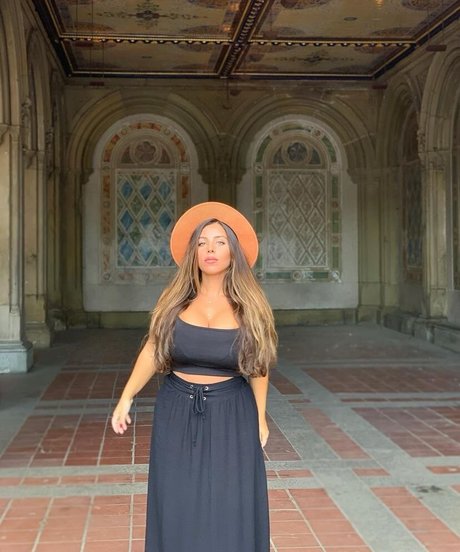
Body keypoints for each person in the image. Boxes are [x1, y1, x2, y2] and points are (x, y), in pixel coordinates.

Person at [111, 201, 277, 552]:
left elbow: (259, 364)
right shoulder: (175, 300)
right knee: (177, 502)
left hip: (232, 412)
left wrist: (260, 417)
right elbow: (153, 349)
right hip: (176, 410)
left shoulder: (250, 305)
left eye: (219, 242)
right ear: (193, 252)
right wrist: (126, 397)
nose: (210, 250)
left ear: (233, 251)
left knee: (230, 503)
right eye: (202, 243)